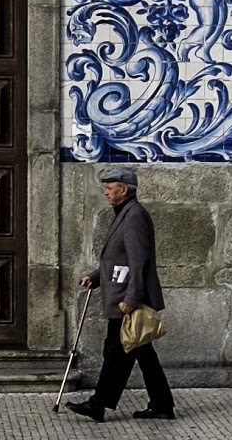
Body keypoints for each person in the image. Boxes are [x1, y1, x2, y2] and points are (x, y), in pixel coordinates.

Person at [66, 168, 174, 423]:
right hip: (125, 295)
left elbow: (138, 262)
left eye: (109, 187)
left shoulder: (134, 215)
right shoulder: (125, 213)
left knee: (115, 351)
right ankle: (162, 405)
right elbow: (117, 259)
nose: (105, 192)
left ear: (124, 190)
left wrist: (132, 299)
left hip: (128, 300)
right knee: (143, 355)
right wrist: (95, 277)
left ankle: (98, 404)